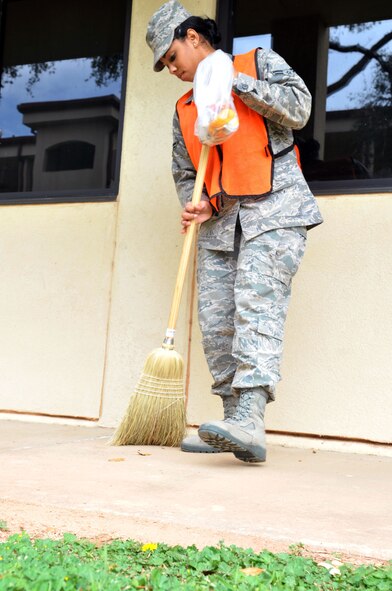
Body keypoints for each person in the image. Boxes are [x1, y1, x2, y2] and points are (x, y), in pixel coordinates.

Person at [146, 0, 323, 463]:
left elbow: (300, 108)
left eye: (171, 57)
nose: (172, 69)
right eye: (165, 65)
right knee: (218, 322)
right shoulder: (184, 109)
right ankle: (231, 422)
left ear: (192, 37)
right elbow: (186, 172)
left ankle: (250, 419)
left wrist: (236, 84)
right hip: (222, 227)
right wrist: (201, 201)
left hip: (275, 212)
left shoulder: (258, 63)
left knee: (255, 305)